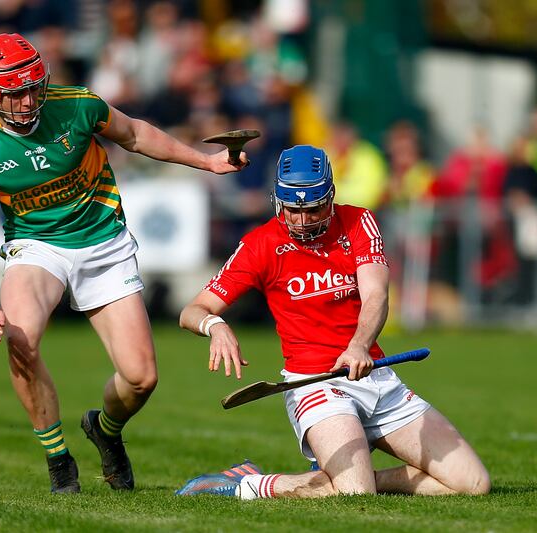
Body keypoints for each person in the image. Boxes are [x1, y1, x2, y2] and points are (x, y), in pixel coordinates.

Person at [0, 33, 246, 495]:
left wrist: (207, 163)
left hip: (104, 242)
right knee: (20, 338)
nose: (27, 102)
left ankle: (104, 429)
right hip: (37, 247)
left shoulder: (79, 105)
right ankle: (58, 458)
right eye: (14, 93)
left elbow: (137, 135)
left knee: (142, 378)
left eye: (33, 88)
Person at [175, 145, 490, 499]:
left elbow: (376, 295)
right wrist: (215, 326)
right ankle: (246, 484)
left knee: (473, 483)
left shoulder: (359, 222)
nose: (302, 220)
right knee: (356, 492)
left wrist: (357, 346)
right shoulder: (260, 244)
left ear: (330, 197)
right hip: (315, 385)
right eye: (293, 210)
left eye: (312, 210)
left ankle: (344, 477)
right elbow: (193, 311)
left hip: (373, 375)